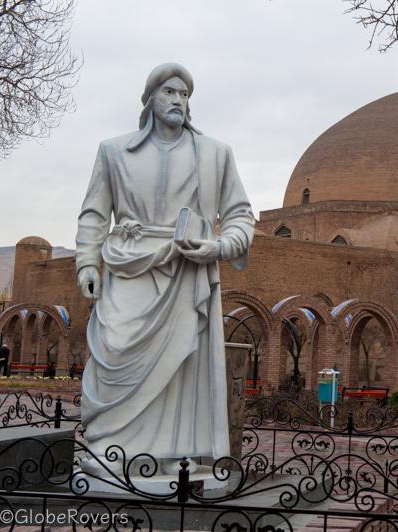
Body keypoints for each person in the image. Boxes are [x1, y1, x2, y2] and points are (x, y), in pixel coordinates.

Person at [75, 63, 255, 475]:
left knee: (179, 366)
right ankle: (111, 452)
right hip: (128, 268)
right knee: (115, 350)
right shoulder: (114, 151)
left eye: (185, 95)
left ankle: (172, 456)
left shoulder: (214, 154)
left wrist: (219, 246)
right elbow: (94, 214)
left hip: (186, 270)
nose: (178, 100)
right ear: (150, 99)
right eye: (170, 92)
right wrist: (87, 261)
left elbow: (241, 216)